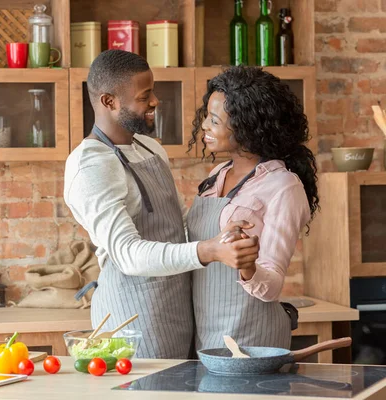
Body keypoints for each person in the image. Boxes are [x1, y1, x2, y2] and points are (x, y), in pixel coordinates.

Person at [64, 50, 260, 359]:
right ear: (108, 101)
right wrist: (209, 251)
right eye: (144, 96)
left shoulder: (149, 147)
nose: (155, 101)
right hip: (131, 319)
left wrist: (223, 237)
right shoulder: (90, 166)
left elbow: (176, 224)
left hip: (176, 307)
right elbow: (127, 255)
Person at [187, 66, 319, 351]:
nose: (205, 127)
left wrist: (247, 266)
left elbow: (271, 286)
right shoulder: (217, 175)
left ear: (247, 125)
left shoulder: (283, 186)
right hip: (206, 330)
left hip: (252, 334)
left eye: (214, 120)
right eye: (206, 117)